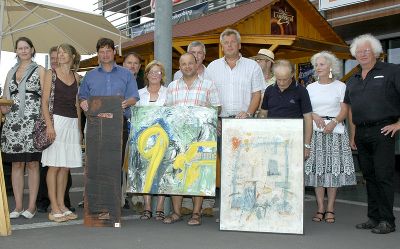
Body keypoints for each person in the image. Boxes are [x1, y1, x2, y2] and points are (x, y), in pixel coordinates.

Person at [345, 34, 400, 234]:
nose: (363, 54)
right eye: (359, 51)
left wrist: (399, 124)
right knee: (370, 176)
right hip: (361, 133)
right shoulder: (354, 79)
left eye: (367, 50)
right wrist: (353, 135)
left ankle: (387, 221)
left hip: (383, 130)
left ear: (376, 52)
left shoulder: (392, 71)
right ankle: (374, 217)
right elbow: (350, 110)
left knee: (383, 175)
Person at [79, 38, 139, 216]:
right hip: (95, 125)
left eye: (108, 50)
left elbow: (134, 97)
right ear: (98, 54)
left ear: (114, 52)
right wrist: (83, 103)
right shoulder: (89, 76)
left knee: (114, 166)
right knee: (96, 166)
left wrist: (125, 103)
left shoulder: (126, 74)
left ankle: (112, 206)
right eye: (101, 51)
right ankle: (96, 205)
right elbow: (82, 96)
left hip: (118, 126)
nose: (105, 54)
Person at [163, 53, 221, 226]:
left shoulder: (208, 85)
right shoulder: (172, 86)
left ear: (197, 65)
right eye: (183, 64)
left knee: (199, 174)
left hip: (201, 137)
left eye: (190, 63)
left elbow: (217, 108)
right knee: (176, 174)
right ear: (179, 67)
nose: (187, 66)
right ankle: (176, 212)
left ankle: (196, 214)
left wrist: (206, 113)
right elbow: (167, 111)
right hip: (178, 138)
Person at [304, 51, 356, 223]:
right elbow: (305, 110)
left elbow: (344, 110)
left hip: (336, 134)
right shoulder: (309, 88)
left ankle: (331, 209)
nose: (318, 68)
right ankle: (320, 208)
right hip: (315, 135)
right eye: (316, 65)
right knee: (318, 173)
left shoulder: (341, 86)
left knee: (333, 173)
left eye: (321, 64)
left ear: (331, 67)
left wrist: (333, 123)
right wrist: (314, 115)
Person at [1, 37, 46, 219]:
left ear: (32, 49)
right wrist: (3, 108)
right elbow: (5, 97)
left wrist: (43, 121)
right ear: (16, 51)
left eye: (26, 47)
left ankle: (31, 206)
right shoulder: (10, 72)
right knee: (17, 164)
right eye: (20, 48)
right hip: (13, 123)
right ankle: (18, 206)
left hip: (33, 121)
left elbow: (45, 97)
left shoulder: (40, 70)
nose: (24, 50)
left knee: (33, 164)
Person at [40, 44, 82, 222]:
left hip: (72, 123)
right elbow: (44, 101)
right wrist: (49, 125)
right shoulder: (52, 74)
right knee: (54, 165)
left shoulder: (77, 77)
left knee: (65, 166)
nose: (61, 55)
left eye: (65, 52)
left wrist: (79, 128)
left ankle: (62, 205)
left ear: (73, 56)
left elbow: (77, 104)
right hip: (56, 121)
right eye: (60, 52)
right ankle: (54, 207)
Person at [259, 60, 313, 159]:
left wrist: (307, 145)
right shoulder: (269, 90)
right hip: (272, 139)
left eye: (285, 79)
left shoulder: (301, 91)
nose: (281, 82)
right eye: (278, 79)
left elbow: (308, 119)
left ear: (292, 74)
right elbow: (263, 114)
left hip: (294, 140)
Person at [134, 60, 168, 221]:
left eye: (158, 72)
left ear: (162, 76)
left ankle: (160, 207)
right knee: (145, 171)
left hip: (164, 139)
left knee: (162, 171)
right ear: (146, 75)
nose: (155, 75)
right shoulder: (138, 94)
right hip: (144, 140)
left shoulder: (169, 93)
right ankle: (147, 207)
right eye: (151, 72)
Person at [206, 28, 264, 119]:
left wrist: (248, 114)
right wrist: (213, 119)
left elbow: (257, 94)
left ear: (239, 45)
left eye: (233, 42)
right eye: (226, 43)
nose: (229, 45)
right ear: (222, 47)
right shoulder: (212, 67)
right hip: (219, 121)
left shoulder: (253, 66)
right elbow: (206, 96)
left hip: (245, 119)